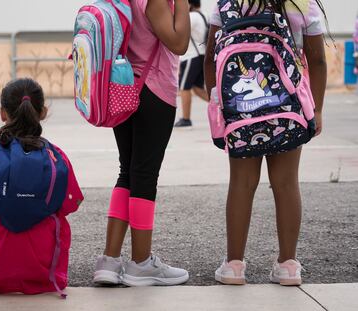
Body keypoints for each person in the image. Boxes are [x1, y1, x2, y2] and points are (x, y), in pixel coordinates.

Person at [204, 0, 328, 285]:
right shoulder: (301, 4)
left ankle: (234, 266)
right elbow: (318, 59)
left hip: (240, 111)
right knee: (286, 183)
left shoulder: (228, 4)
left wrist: (217, 101)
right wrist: (317, 109)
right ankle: (288, 265)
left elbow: (211, 55)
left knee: (241, 183)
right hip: (288, 108)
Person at [93, 0, 191, 286]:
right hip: (153, 89)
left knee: (128, 171)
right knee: (144, 175)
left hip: (121, 86)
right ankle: (141, 264)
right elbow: (179, 43)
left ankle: (109, 263)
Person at [0, 78, 83, 296]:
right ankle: (42, 274)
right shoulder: (56, 156)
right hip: (42, 251)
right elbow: (69, 204)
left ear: (2, 113)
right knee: (55, 218)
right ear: (43, 112)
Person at [175, 0, 209, 128]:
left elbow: (178, 32)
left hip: (191, 56)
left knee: (184, 88)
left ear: (189, 4)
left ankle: (185, 118)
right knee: (198, 89)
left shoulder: (191, 17)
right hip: (202, 55)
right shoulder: (205, 15)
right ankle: (221, 108)